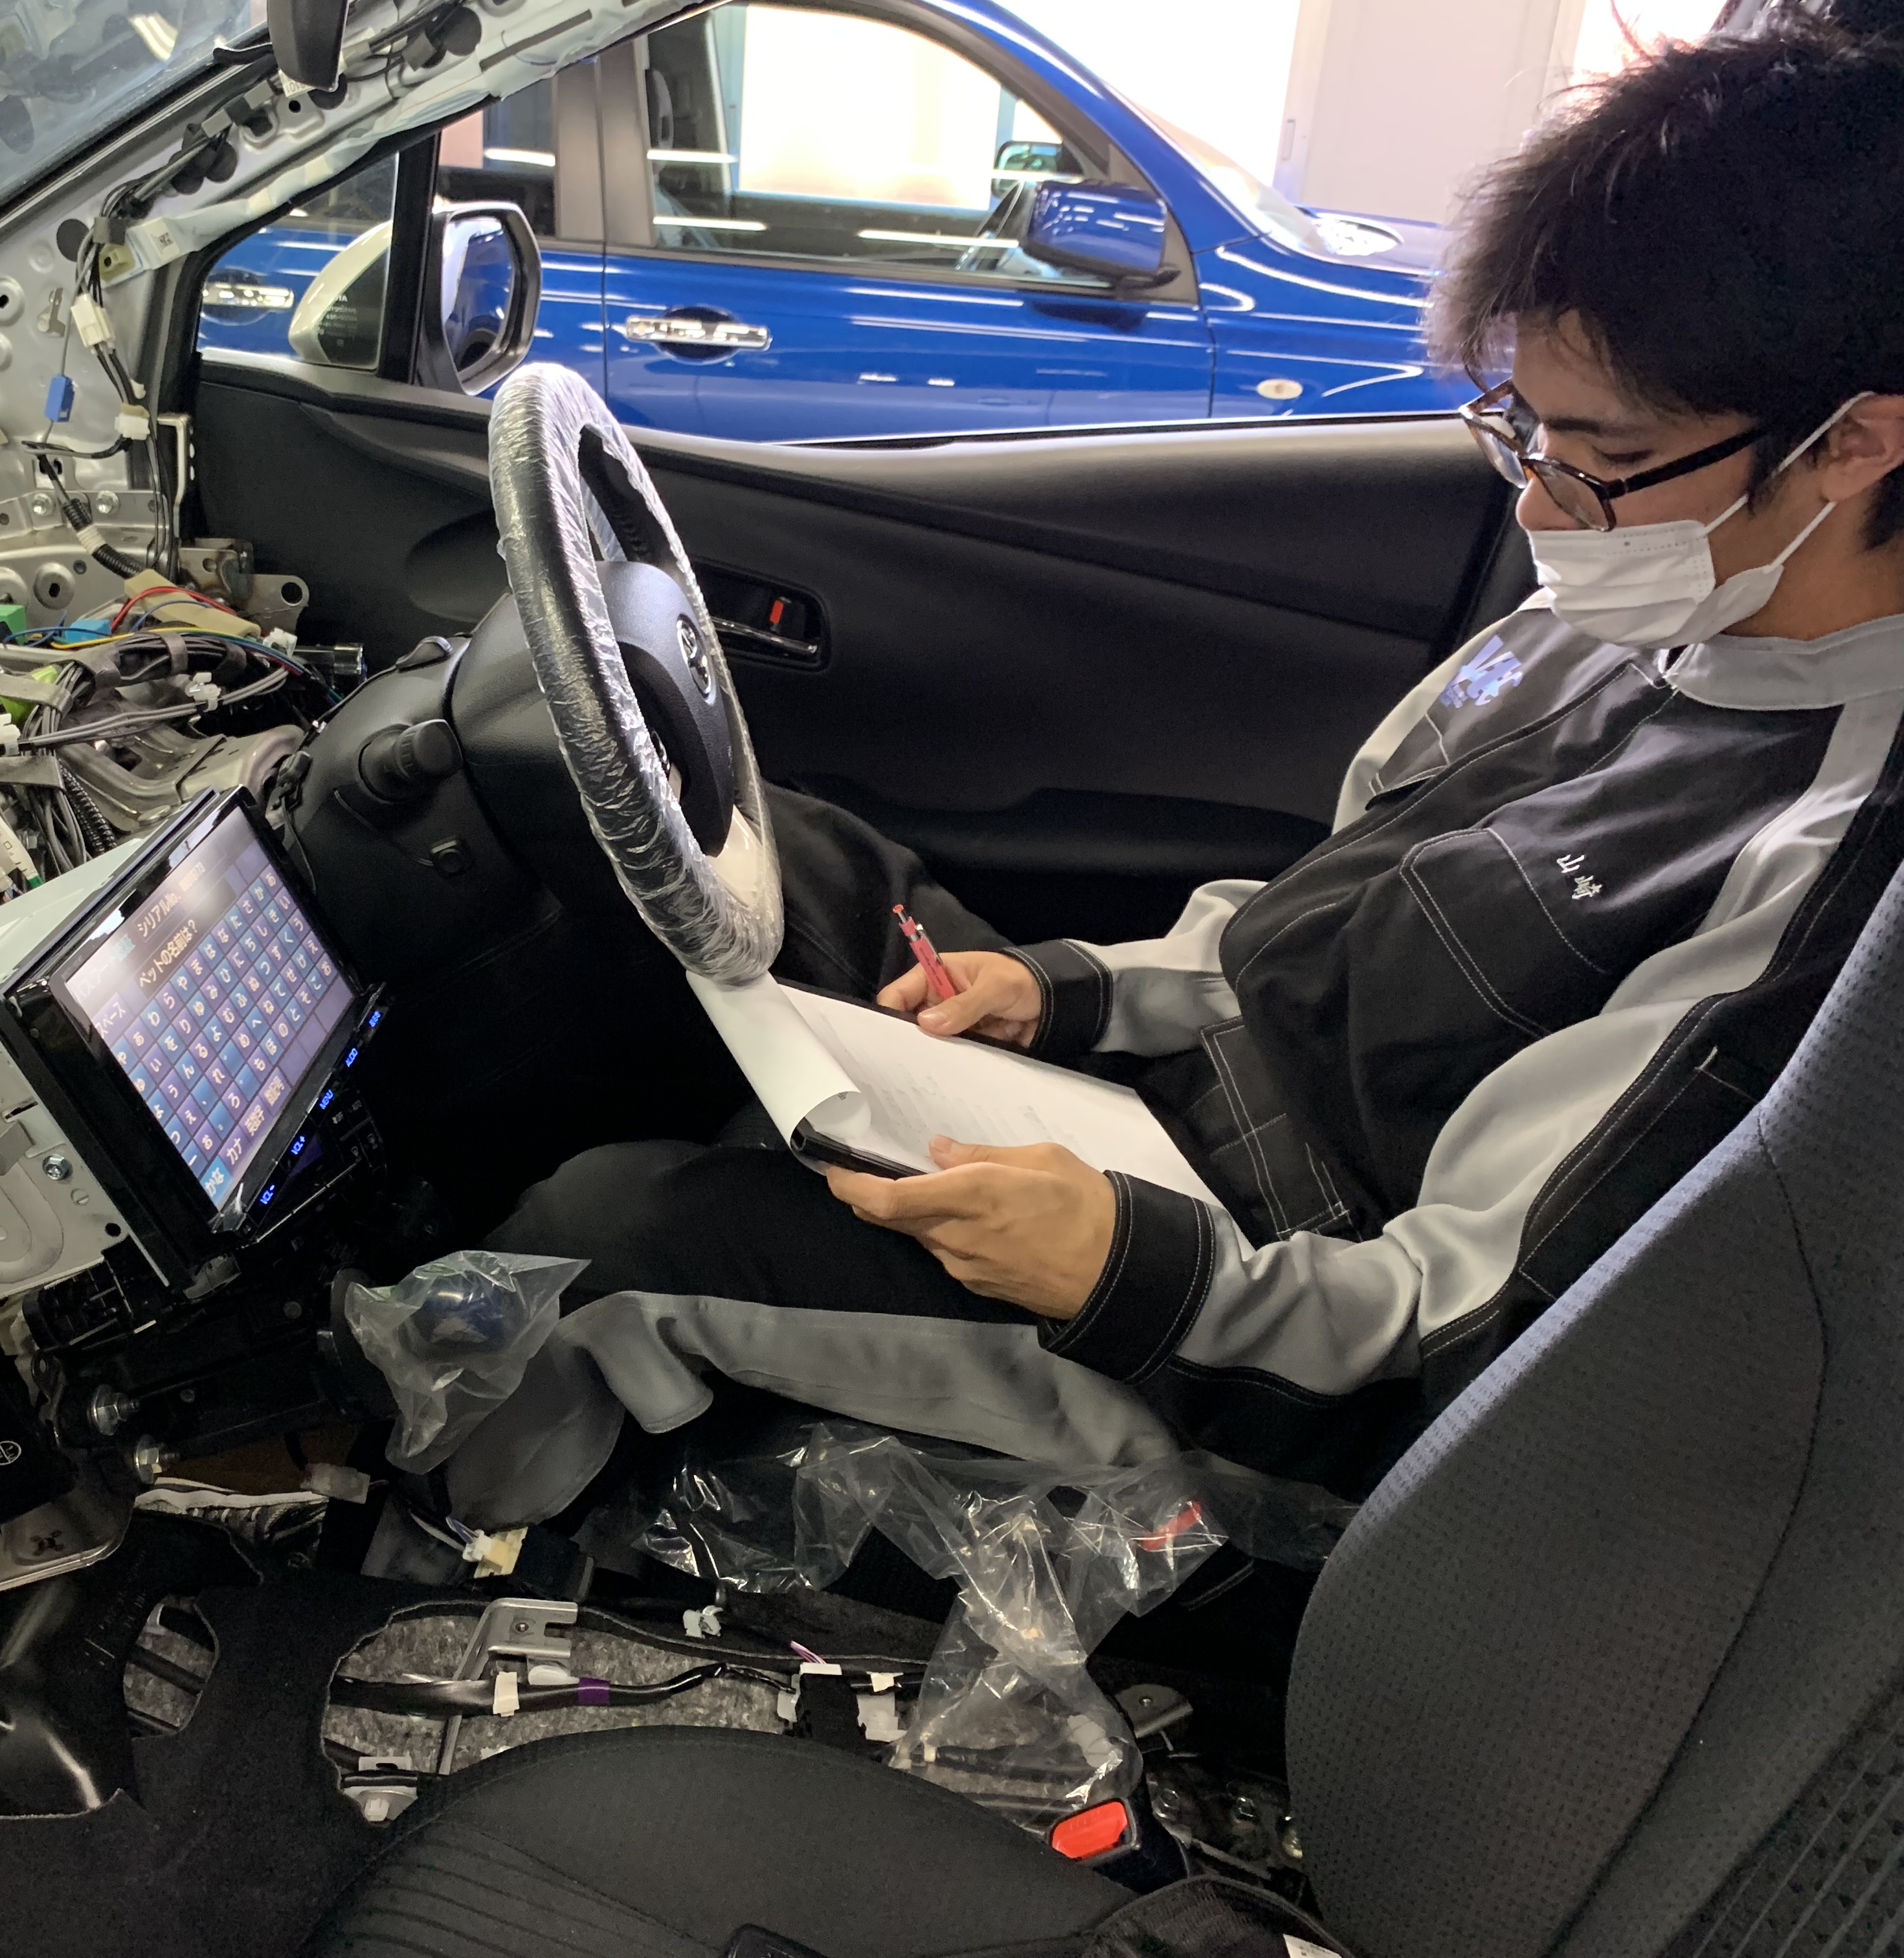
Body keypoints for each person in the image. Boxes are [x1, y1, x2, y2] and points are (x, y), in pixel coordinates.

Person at [476, 6, 1904, 1499]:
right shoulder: (1599, 624)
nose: (1540, 509)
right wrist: (1075, 993)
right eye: (1523, 435)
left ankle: (408, 1524)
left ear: (1855, 443)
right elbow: (1308, 918)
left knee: (613, 1240)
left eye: (1602, 461)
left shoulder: (1821, 876)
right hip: (1165, 1114)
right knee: (792, 852)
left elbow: (1470, 1317)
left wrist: (1129, 1268)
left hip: (1245, 1344)